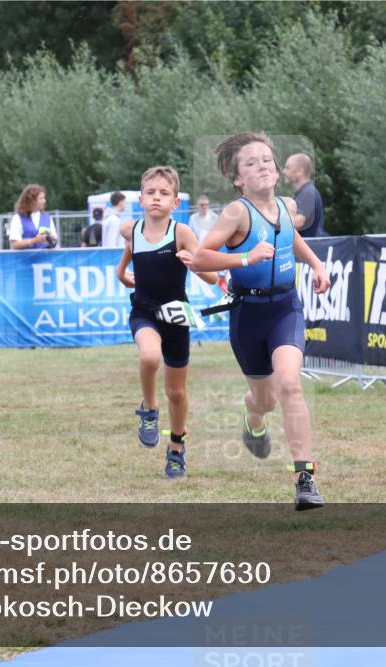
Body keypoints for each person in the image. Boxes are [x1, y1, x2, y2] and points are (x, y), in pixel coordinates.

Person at [192, 132, 331, 510]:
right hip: (247, 315)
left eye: (267, 160)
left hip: (285, 308)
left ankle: (305, 479)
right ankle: (252, 417)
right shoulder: (236, 213)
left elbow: (291, 239)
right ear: (238, 179)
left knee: (289, 383)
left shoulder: (286, 205)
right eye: (251, 163)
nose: (263, 167)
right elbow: (199, 257)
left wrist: (317, 264)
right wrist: (244, 259)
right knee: (264, 400)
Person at [115, 165, 217, 479]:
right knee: (148, 356)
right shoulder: (129, 229)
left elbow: (211, 276)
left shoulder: (182, 232)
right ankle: (148, 408)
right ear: (140, 199)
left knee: (177, 393)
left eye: (164, 193)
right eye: (150, 192)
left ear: (175, 202)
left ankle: (176, 447)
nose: (156, 198)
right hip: (144, 311)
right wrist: (121, 274)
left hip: (176, 317)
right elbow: (127, 257)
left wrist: (193, 262)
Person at [282, 152, 327, 238]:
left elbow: (297, 223)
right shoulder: (305, 192)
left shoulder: (308, 193)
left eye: (287, 167)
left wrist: (269, 224)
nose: (284, 171)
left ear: (299, 171)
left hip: (312, 245)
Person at [8, 183, 56, 249]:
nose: (44, 201)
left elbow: (55, 242)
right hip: (24, 258)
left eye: (44, 198)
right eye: (41, 198)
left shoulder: (48, 217)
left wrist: (52, 241)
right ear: (32, 200)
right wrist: (34, 241)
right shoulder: (18, 218)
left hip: (45, 258)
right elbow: (14, 245)